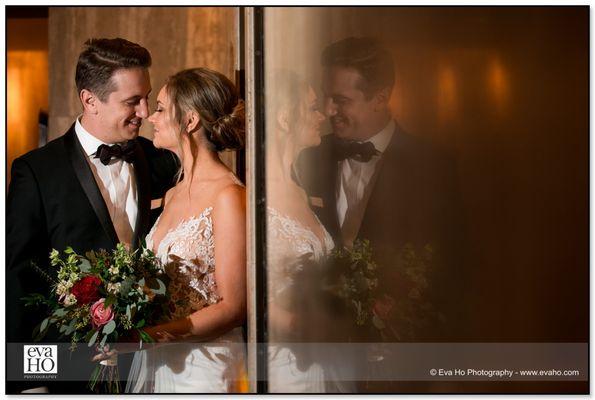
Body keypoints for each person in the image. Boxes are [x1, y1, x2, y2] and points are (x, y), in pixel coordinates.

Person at [6, 38, 178, 394]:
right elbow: (17, 283)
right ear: (90, 100)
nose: (145, 112)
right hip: (70, 370)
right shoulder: (36, 173)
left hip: (148, 363)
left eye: (147, 98)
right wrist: (28, 380)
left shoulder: (150, 154)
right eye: (132, 101)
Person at [297, 37, 464, 391]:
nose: (327, 110)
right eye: (326, 96)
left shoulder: (433, 167)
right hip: (316, 355)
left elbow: (450, 265)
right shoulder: (308, 156)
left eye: (341, 100)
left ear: (381, 97)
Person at [121, 68, 247, 393]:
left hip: (204, 367)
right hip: (159, 360)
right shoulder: (172, 193)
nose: (152, 117)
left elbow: (235, 308)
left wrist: (155, 335)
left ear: (189, 121)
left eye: (161, 108)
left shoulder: (229, 196)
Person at [266, 70, 355, 393]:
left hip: (320, 361)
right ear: (285, 118)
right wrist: (301, 325)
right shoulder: (257, 194)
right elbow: (249, 293)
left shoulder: (302, 190)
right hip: (283, 366)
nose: (326, 114)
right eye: (314, 107)